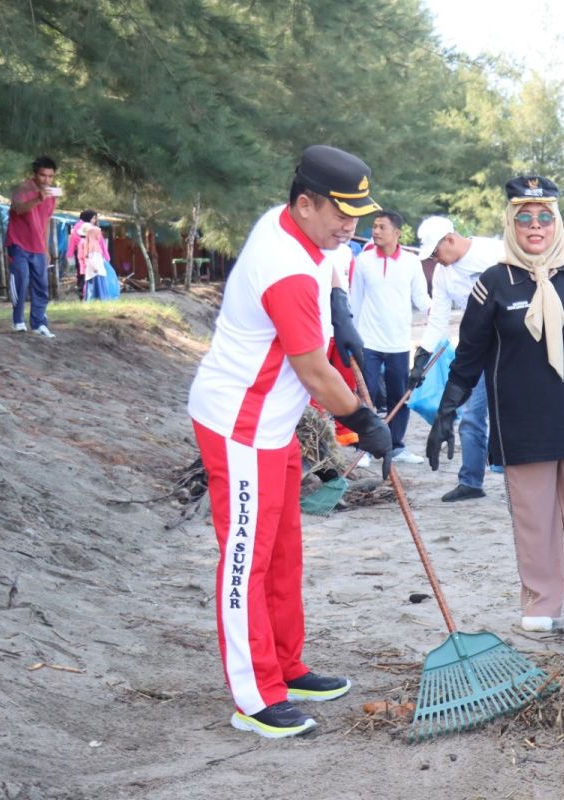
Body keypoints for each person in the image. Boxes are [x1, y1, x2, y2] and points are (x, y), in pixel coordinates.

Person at [186, 145, 393, 739]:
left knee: (283, 552)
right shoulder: (285, 268)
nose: (349, 228)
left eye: (358, 215)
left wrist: (341, 309)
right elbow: (315, 375)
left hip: (273, 428)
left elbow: (324, 270)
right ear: (304, 203)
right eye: (340, 215)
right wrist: (365, 421)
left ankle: (286, 664)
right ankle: (254, 696)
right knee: (246, 559)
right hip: (240, 425)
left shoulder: (298, 233)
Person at [427, 176, 564, 633]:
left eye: (545, 217)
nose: (535, 226)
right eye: (524, 218)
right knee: (534, 517)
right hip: (520, 419)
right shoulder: (493, 282)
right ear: (511, 224)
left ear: (557, 222)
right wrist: (448, 410)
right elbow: (469, 354)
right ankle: (541, 602)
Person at [410, 216, 504, 501]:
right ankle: (471, 482)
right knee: (472, 416)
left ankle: (524, 476)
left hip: (512, 347)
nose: (436, 261)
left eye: (436, 254)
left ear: (449, 240)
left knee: (512, 415)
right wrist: (422, 358)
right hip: (476, 348)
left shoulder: (495, 253)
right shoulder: (443, 273)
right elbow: (438, 318)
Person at [351, 210, 431, 463]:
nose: (375, 231)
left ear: (396, 233)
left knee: (400, 395)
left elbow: (421, 299)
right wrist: (351, 335)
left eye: (381, 227)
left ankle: (396, 446)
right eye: (374, 227)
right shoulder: (363, 261)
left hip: (398, 341)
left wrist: (436, 313)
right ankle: (363, 448)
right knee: (367, 395)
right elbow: (355, 299)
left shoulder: (411, 262)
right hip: (368, 341)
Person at [8, 156, 60, 338]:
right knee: (21, 282)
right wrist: (38, 198)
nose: (46, 180)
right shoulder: (23, 188)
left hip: (38, 246)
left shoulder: (51, 195)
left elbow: (45, 221)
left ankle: (39, 323)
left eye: (50, 176)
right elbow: (18, 209)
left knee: (41, 285)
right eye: (43, 175)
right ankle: (18, 321)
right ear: (34, 174)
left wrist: (45, 248)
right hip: (19, 243)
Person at [79, 211, 112, 301]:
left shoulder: (89, 241)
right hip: (95, 269)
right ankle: (97, 297)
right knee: (94, 282)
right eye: (93, 218)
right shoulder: (91, 243)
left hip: (93, 267)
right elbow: (91, 257)